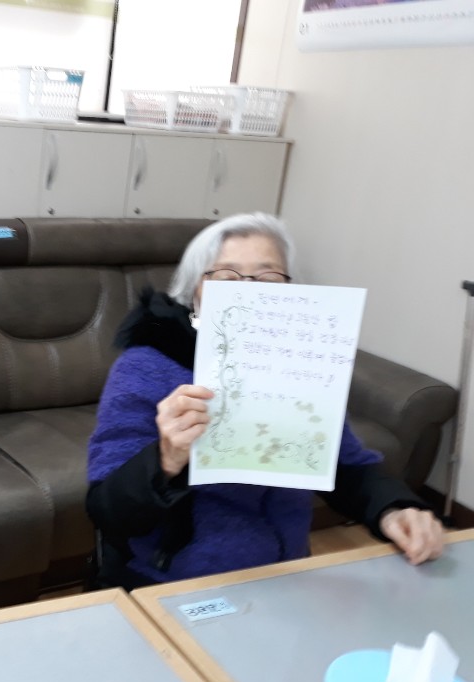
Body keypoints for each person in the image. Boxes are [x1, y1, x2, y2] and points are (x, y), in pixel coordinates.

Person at [86, 212, 444, 590]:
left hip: (282, 575)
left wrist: (394, 508)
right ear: (195, 292)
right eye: (226, 278)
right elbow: (107, 510)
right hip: (174, 583)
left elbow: (343, 465)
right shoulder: (146, 366)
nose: (248, 292)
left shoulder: (302, 368)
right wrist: (165, 458)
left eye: (268, 278)